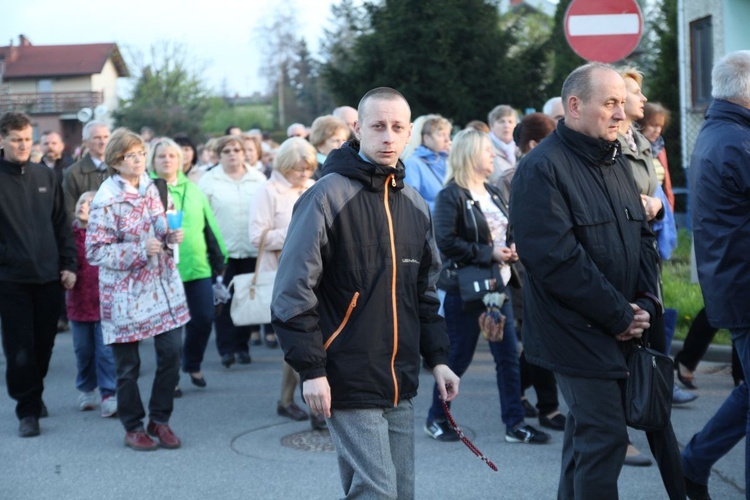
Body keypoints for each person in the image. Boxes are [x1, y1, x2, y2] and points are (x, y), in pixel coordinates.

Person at [272, 87, 460, 499]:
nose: (388, 137)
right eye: (378, 126)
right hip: (346, 373)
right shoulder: (326, 196)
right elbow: (292, 291)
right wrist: (312, 370)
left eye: (397, 127)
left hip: (400, 377)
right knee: (378, 492)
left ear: (410, 131)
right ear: (358, 129)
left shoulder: (414, 203)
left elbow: (424, 294)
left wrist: (440, 359)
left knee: (401, 491)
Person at [509, 63, 674, 499]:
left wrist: (643, 300)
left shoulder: (616, 159)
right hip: (574, 331)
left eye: (623, 103)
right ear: (576, 106)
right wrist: (619, 314)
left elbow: (641, 234)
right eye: (611, 103)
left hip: (621, 323)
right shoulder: (541, 169)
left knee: (588, 439)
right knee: (604, 437)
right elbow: (556, 260)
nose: (623, 114)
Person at [423, 128, 550, 445]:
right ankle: (437, 417)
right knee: (458, 359)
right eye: (487, 151)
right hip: (465, 291)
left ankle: (515, 424)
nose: (493, 154)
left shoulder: (492, 191)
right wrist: (488, 252)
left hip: (497, 288)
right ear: (470, 155)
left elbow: (503, 230)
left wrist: (511, 246)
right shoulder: (450, 195)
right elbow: (446, 242)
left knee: (507, 357)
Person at [86, 128, 190, 451]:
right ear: (116, 162)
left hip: (162, 287)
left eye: (141, 154)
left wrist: (172, 236)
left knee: (172, 353)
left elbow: (163, 224)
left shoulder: (155, 187)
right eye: (132, 156)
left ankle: (160, 419)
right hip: (125, 293)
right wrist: (138, 249)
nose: (139, 160)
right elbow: (94, 251)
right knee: (128, 365)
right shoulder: (106, 198)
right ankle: (133, 426)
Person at [682, 50, 750, 500]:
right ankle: (692, 462)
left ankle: (693, 462)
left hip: (736, 284)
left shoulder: (722, 132)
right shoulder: (737, 141)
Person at [0, 111, 77, 438]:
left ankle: (35, 390)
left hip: (48, 276)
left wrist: (69, 264)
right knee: (20, 348)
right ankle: (27, 410)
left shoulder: (45, 175)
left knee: (44, 345)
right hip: (11, 279)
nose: (23, 145)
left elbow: (62, 223)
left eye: (27, 139)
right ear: (2, 140)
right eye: (16, 140)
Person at [248, 137, 324, 428]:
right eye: (298, 169)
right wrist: (299, 233)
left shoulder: (312, 187)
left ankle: (287, 401)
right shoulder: (267, 191)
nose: (304, 173)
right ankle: (311, 408)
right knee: (298, 342)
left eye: (308, 168)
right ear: (284, 165)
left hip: (315, 276)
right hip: (281, 277)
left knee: (305, 343)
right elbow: (257, 237)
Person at [148, 138, 227, 391]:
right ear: (153, 161)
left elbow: (209, 226)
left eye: (172, 155)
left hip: (197, 267)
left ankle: (192, 363)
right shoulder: (146, 190)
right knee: (170, 329)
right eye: (162, 156)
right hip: (162, 270)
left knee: (203, 319)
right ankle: (170, 378)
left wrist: (219, 258)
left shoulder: (194, 189)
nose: (168, 160)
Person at [512, 113, 566, 431]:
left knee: (540, 340)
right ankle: (546, 405)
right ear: (534, 144)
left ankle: (519, 391)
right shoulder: (520, 174)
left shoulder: (552, 168)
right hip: (526, 270)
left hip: (545, 266)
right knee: (539, 339)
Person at [198, 135, 269, 366]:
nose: (232, 154)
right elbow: (202, 218)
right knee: (223, 301)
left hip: (251, 250)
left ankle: (242, 346)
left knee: (247, 299)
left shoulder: (257, 179)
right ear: (218, 155)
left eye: (236, 150)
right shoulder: (209, 181)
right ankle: (226, 349)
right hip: (223, 253)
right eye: (226, 151)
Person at [67, 191, 118, 418]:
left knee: (105, 352)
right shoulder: (68, 235)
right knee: (83, 350)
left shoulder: (108, 235)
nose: (84, 206)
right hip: (78, 304)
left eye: (90, 203)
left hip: (105, 303)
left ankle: (109, 393)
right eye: (81, 202)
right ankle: (87, 389)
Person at [62, 120, 111, 221]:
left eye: (106, 137)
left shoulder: (120, 168)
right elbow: (68, 210)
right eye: (97, 138)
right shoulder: (73, 173)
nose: (103, 142)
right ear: (85, 142)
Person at [403, 114, 452, 213]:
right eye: (441, 135)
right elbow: (411, 202)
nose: (447, 140)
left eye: (448, 135)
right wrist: (446, 208)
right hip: (429, 224)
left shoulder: (448, 161)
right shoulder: (413, 164)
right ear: (426, 138)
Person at [487, 104, 519, 203]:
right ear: (491, 126)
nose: (507, 125)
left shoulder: (521, 148)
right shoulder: (486, 148)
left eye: (510, 121)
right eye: (501, 121)